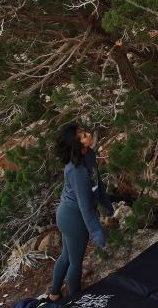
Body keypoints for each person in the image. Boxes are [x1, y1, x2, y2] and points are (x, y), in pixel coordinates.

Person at [46, 122, 114, 301]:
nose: (88, 135)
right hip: (73, 218)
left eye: (85, 132)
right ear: (77, 145)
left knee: (67, 256)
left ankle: (54, 294)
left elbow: (96, 183)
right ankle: (76, 300)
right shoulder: (76, 170)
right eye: (83, 136)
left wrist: (106, 203)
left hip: (70, 214)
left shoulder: (89, 155)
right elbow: (85, 206)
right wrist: (96, 232)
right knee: (75, 262)